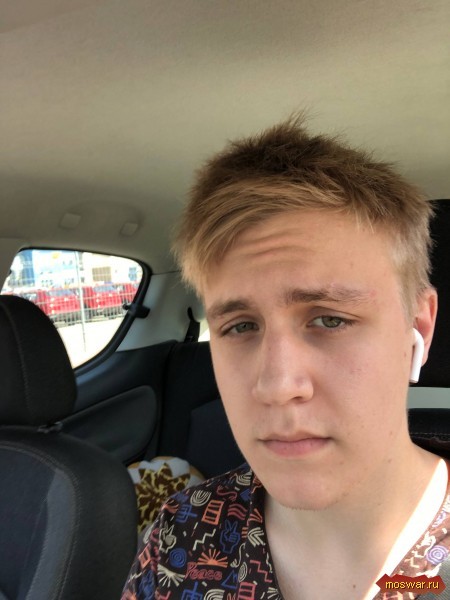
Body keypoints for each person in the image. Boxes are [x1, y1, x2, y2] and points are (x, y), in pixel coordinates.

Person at [122, 116, 450, 600]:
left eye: (330, 319)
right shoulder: (181, 535)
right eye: (240, 327)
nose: (277, 386)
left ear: (417, 328)